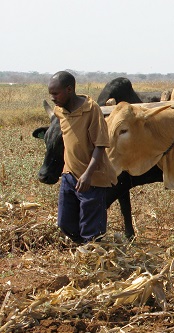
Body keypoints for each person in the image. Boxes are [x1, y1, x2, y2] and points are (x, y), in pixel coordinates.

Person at [48, 71, 117, 243]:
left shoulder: (91, 110)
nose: (53, 98)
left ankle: (92, 256)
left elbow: (100, 145)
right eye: (51, 94)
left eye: (56, 93)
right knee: (65, 223)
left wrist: (88, 174)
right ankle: (84, 249)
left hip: (92, 178)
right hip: (69, 175)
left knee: (92, 229)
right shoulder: (59, 111)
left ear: (69, 89)